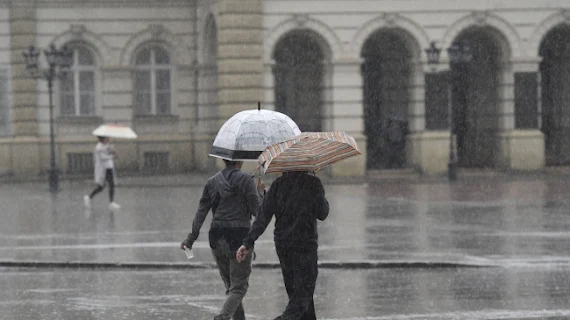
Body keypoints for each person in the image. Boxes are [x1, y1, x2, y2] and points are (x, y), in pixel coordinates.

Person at [236, 171, 329, 320]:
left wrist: (248, 242)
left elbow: (263, 215)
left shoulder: (278, 185)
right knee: (302, 295)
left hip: (283, 246)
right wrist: (320, 195)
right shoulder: (313, 183)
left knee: (297, 295)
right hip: (305, 245)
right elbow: (323, 213)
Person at [181, 160, 265, 320]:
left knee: (231, 288)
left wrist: (190, 239)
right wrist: (260, 192)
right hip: (238, 237)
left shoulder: (212, 182)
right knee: (239, 288)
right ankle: (223, 317)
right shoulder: (247, 181)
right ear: (240, 161)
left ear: (224, 159)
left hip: (216, 237)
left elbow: (201, 211)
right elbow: (257, 212)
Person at [84, 136, 120, 211]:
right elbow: (102, 157)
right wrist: (112, 156)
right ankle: (111, 203)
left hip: (109, 167)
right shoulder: (99, 147)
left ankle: (89, 197)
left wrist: (113, 152)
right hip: (104, 169)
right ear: (103, 139)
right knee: (110, 184)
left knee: (102, 187)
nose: (109, 139)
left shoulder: (108, 145)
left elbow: (109, 153)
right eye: (107, 138)